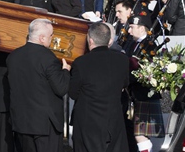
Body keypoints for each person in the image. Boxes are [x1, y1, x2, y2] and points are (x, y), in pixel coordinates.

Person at [7, 18, 71, 152]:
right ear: (42, 38)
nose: (52, 38)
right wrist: (65, 71)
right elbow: (61, 88)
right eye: (51, 35)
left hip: (22, 122)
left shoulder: (13, 57)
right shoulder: (48, 58)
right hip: (45, 125)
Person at [69, 22, 129, 152]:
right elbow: (124, 84)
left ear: (90, 40)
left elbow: (73, 93)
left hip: (88, 124)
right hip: (113, 121)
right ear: (109, 41)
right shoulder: (122, 60)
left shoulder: (81, 63)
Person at [126, 14, 165, 152]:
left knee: (140, 134)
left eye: (132, 27)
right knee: (138, 133)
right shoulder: (132, 44)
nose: (129, 31)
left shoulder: (150, 45)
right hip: (135, 94)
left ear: (142, 28)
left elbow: (148, 71)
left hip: (145, 94)